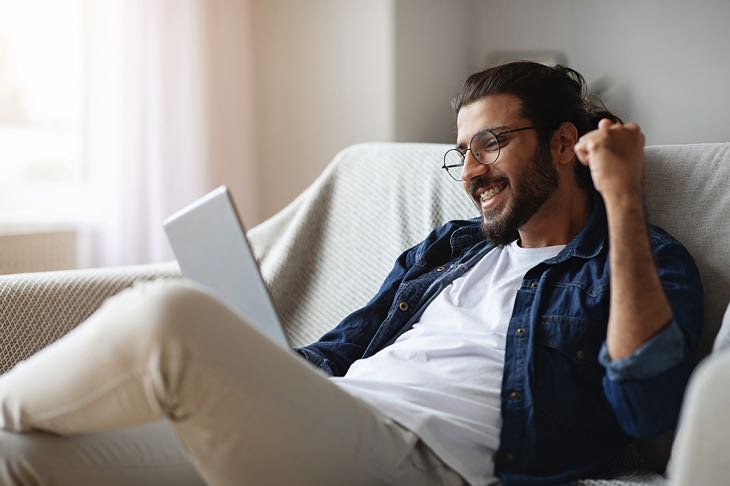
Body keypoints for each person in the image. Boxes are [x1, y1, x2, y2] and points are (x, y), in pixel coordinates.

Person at [0, 62, 703, 485]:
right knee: (21, 457)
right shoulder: (449, 251)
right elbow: (333, 354)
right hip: (329, 425)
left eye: (490, 143)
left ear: (561, 143)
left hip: (419, 462)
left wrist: (622, 195)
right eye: (462, 153)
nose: (473, 172)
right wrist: (251, 370)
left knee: (168, 316)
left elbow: (647, 409)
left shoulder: (635, 258)